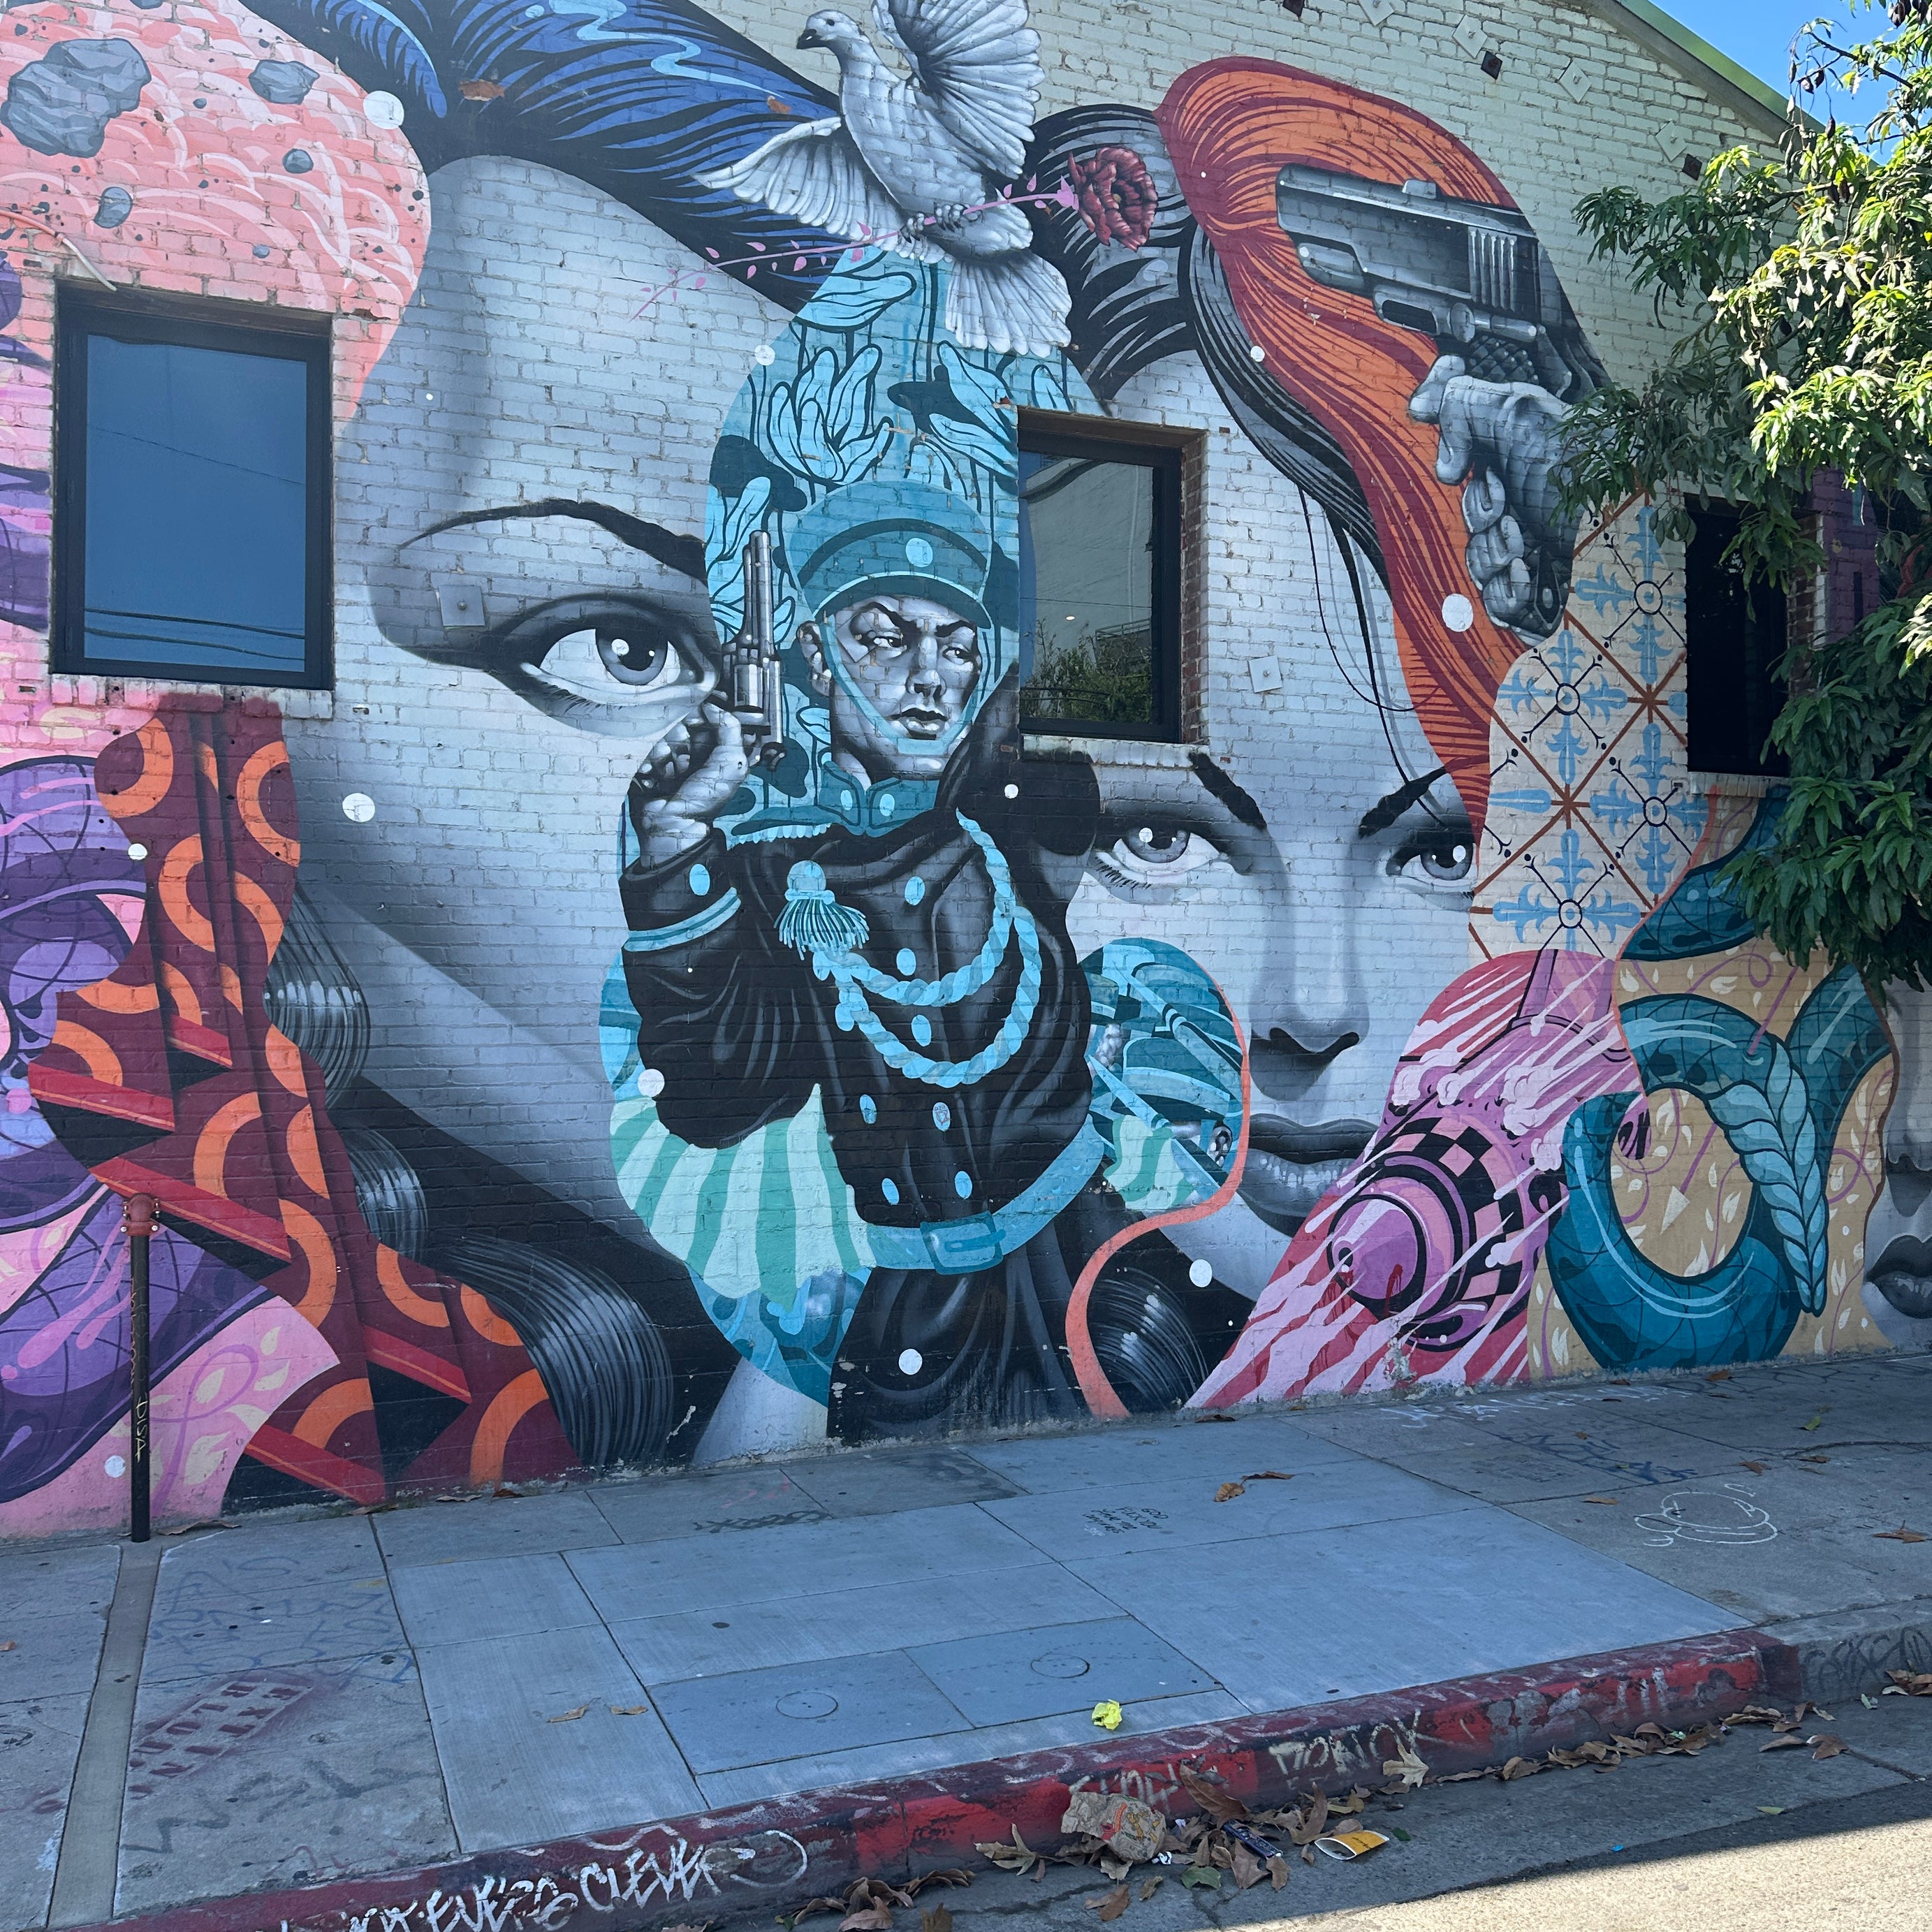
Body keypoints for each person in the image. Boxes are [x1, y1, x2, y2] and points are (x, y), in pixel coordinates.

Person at [617, 478, 1245, 1437]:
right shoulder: (776, 882)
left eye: (956, 646)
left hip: (1095, 1277)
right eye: (882, 637)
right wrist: (672, 844)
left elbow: (1052, 684)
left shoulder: (1019, 824)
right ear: (817, 666)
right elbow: (714, 1095)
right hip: (916, 1320)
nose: (927, 678)